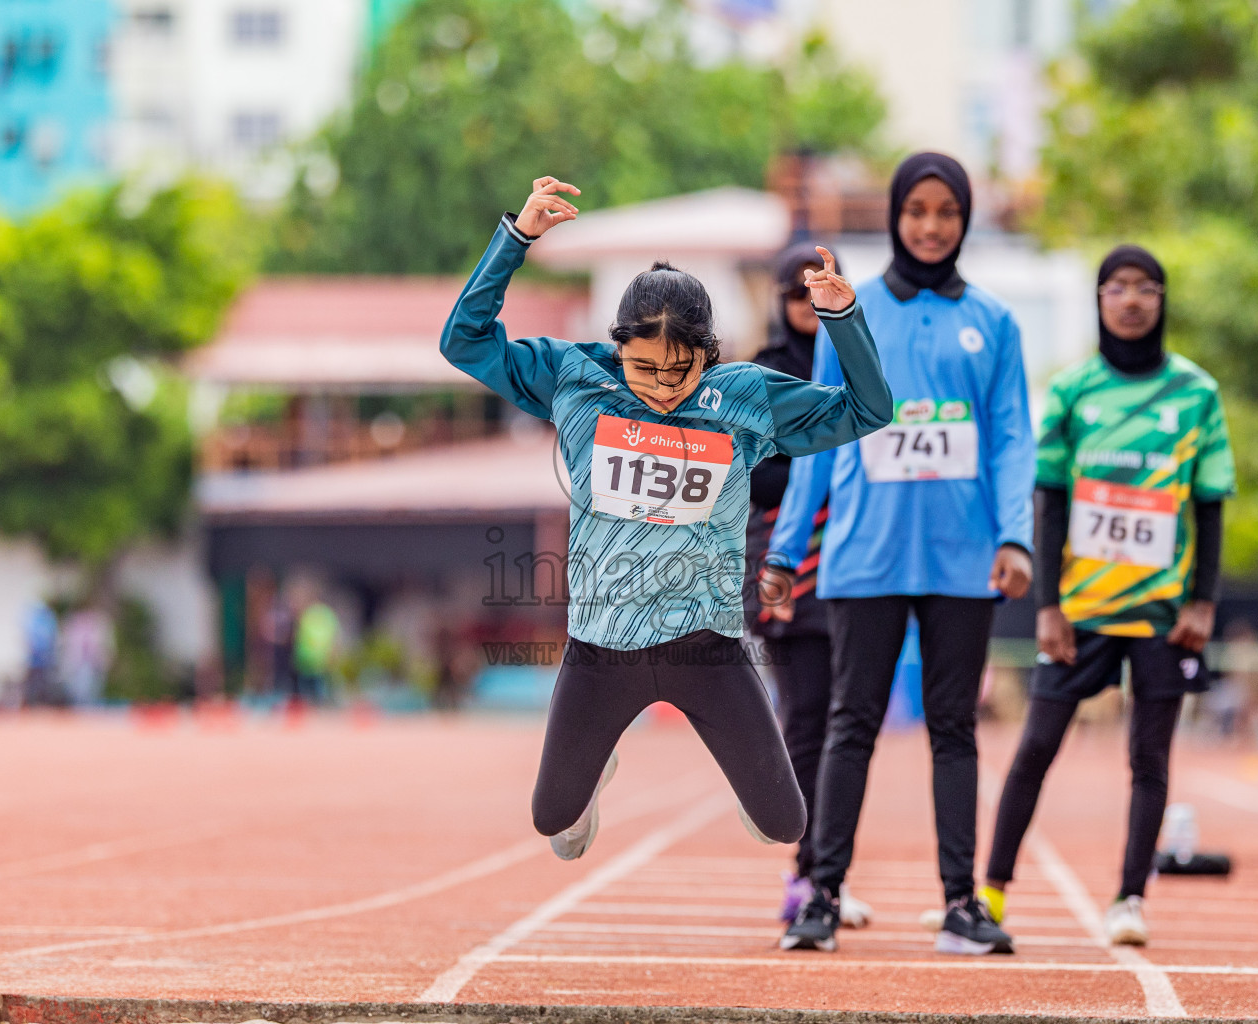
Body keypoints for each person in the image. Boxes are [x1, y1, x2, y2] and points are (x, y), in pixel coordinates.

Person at [440, 176, 893, 861]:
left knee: (785, 825)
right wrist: (517, 239)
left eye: (680, 370)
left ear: (708, 353)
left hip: (707, 648)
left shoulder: (741, 397)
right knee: (551, 822)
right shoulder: (574, 378)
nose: (661, 387)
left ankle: (725, 773)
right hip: (600, 649)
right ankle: (593, 774)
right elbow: (463, 342)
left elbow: (867, 410)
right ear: (616, 345)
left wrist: (844, 318)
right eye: (644, 367)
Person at [764, 152, 1035, 955]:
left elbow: (1013, 438)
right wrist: (785, 550)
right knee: (851, 725)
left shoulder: (995, 321)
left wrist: (1015, 535)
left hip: (962, 558)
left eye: (946, 210)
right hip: (864, 556)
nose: (929, 224)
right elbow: (814, 437)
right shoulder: (852, 311)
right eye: (916, 209)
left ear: (963, 219)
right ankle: (820, 893)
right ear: (893, 216)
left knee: (955, 728)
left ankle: (962, 902)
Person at [981, 245, 1235, 947]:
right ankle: (991, 895)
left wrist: (1203, 604)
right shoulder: (1072, 390)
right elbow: (1050, 498)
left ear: (1161, 300)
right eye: (1116, 286)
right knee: (1034, 749)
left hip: (1162, 614)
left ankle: (1130, 899)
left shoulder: (1196, 393)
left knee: (1149, 761)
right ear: (1099, 300)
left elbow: (1210, 504)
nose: (1131, 299)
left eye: (1146, 287)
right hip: (1081, 612)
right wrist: (1050, 606)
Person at [744, 242, 871, 930]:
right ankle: (804, 875)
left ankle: (828, 870)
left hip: (856, 555)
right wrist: (819, 470)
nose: (804, 305)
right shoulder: (761, 375)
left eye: (815, 291)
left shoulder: (854, 360)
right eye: (794, 294)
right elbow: (752, 475)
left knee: (845, 723)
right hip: (784, 560)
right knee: (805, 721)